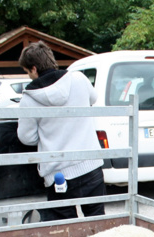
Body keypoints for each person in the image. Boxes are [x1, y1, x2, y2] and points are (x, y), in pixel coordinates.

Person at [17, 41, 106, 222]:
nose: (29, 77)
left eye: (28, 72)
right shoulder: (79, 79)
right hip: (90, 166)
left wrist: (47, 134)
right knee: (97, 222)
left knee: (64, 228)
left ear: (34, 68)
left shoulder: (29, 99)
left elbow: (26, 137)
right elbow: (93, 98)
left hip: (58, 174)